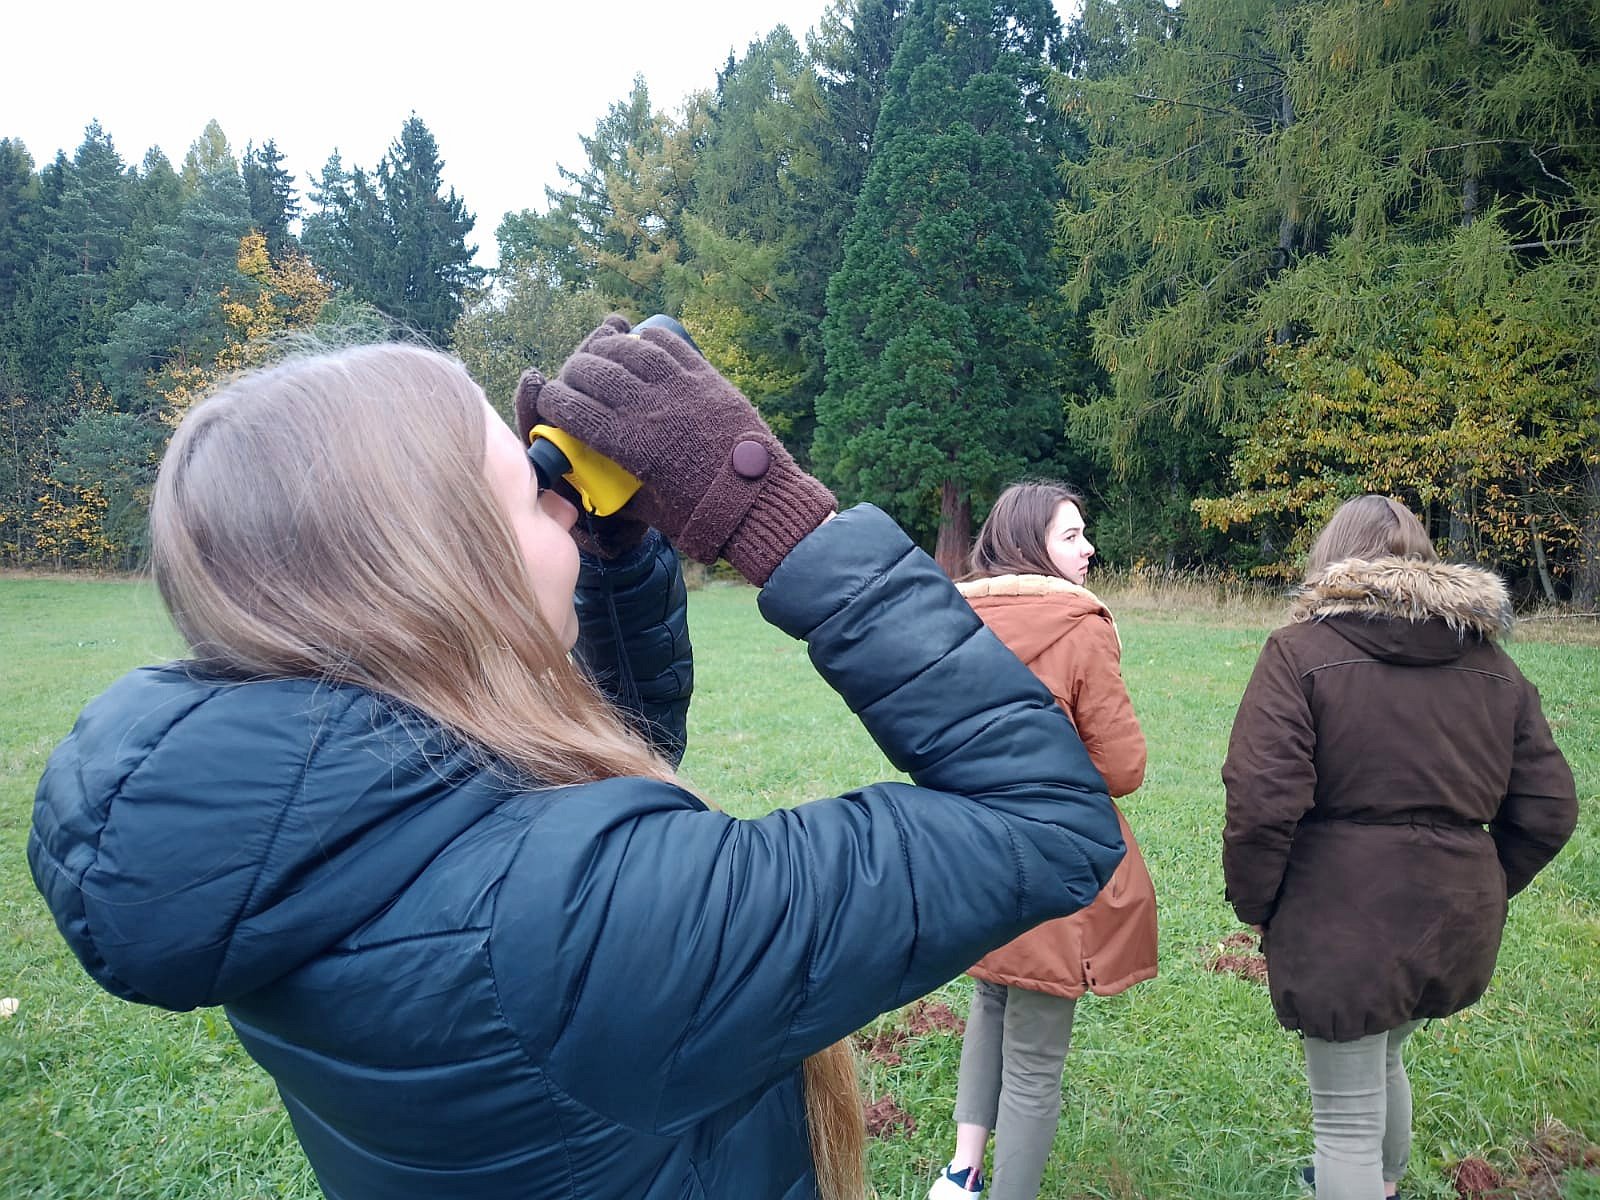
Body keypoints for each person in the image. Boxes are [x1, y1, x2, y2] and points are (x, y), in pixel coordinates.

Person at [28, 318, 1126, 1200]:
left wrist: (606, 556)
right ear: (446, 573)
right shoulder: (575, 925)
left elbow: (579, 785)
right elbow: (1044, 823)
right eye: (528, 494)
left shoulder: (297, 840)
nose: (560, 505)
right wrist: (769, 510)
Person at [1221, 494, 1577, 1200]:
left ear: (1332, 559)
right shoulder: (1494, 667)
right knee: (1382, 1057)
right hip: (1454, 918)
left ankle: (1366, 1182)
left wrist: (1259, 904)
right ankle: (1383, 1187)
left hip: (1342, 919)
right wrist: (1478, 882)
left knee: (1345, 1123)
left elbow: (1261, 799)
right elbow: (1549, 807)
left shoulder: (1299, 652)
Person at [929, 482, 1156, 1200]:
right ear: (1032, 545)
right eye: (1071, 535)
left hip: (970, 847)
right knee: (1034, 1057)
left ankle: (962, 1171)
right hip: (1053, 855)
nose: (1088, 549)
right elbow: (1123, 768)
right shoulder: (1080, 625)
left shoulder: (945, 619)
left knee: (992, 998)